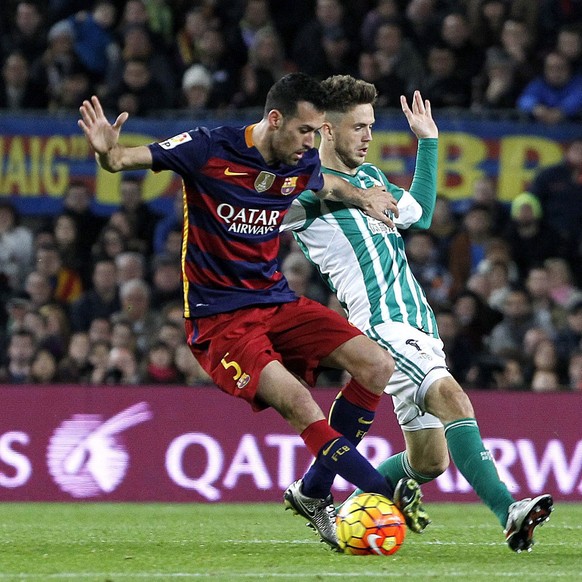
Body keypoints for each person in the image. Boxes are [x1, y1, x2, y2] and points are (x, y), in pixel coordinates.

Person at [77, 72, 424, 551]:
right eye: (306, 131)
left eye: (318, 132)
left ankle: (315, 491)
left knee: (376, 364)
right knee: (301, 403)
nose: (312, 143)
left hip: (275, 300)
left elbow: (327, 186)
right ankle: (384, 493)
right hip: (220, 318)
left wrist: (363, 196)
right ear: (274, 119)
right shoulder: (207, 149)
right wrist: (105, 151)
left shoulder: (301, 162)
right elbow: (121, 160)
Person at [282, 75, 553, 552]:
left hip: (420, 326)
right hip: (381, 327)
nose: (368, 136)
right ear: (326, 129)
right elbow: (265, 215)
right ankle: (509, 511)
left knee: (429, 462)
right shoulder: (306, 192)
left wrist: (429, 143)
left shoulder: (371, 179)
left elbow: (420, 214)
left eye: (371, 125)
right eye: (358, 127)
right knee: (455, 400)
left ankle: (312, 490)